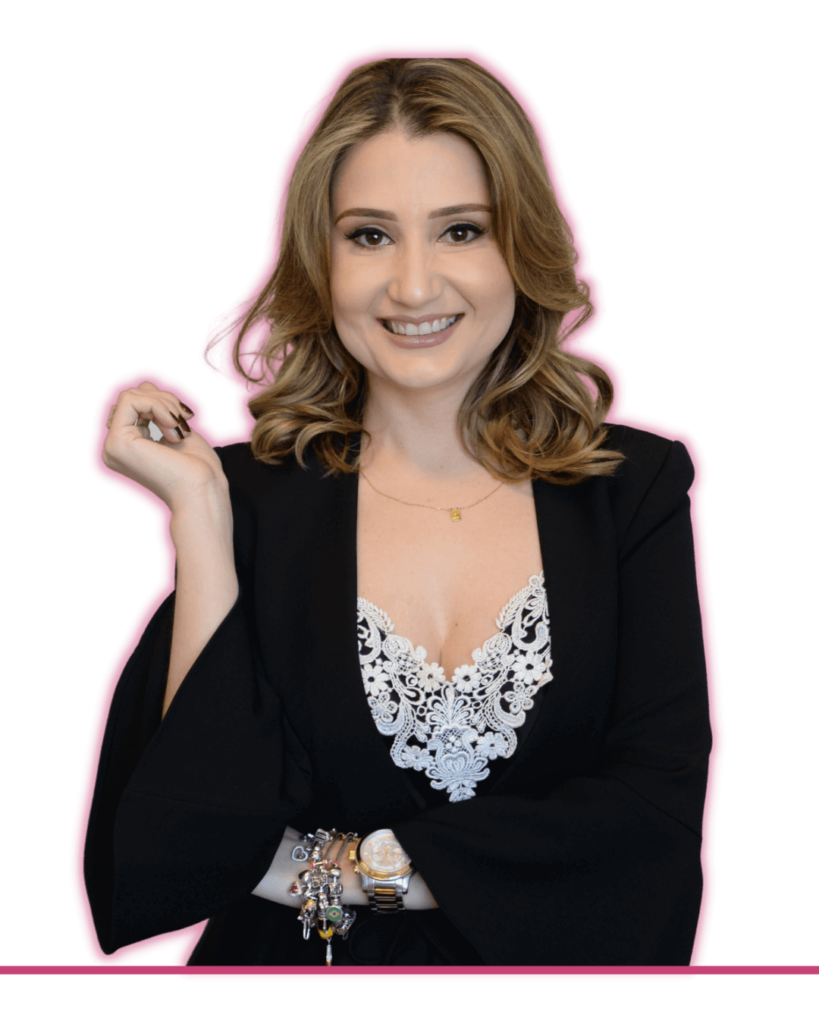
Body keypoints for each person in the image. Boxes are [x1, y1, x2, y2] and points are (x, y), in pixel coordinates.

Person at [84, 56, 712, 967]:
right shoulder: (244, 494)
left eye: (460, 230)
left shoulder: (633, 487)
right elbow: (193, 834)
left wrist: (348, 872)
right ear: (321, 263)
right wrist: (200, 512)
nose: (414, 288)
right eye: (369, 236)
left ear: (520, 247)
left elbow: (652, 820)